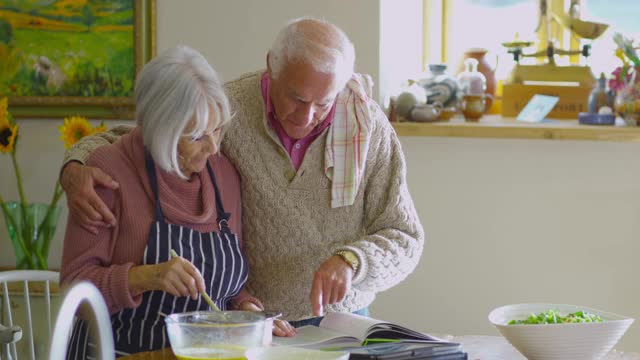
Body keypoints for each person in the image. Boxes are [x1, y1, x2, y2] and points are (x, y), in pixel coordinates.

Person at [60, 18, 425, 329]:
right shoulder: (228, 110)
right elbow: (146, 135)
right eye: (297, 98)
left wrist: (352, 261)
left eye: (324, 104)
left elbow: (404, 236)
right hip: (258, 324)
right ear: (272, 67)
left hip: (342, 320)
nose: (308, 115)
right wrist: (74, 167)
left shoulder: (366, 123)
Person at [59, 46, 293, 359]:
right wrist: (145, 277)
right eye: (196, 136)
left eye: (217, 130)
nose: (212, 147)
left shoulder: (223, 175)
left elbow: (226, 288)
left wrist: (245, 311)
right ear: (158, 130)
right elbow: (74, 291)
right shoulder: (108, 171)